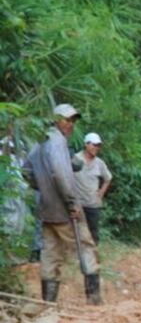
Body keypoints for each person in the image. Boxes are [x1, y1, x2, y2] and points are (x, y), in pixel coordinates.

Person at [22, 104, 103, 305]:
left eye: (73, 121)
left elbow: (26, 172)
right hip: (65, 211)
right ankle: (94, 301)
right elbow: (60, 174)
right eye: (67, 120)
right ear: (56, 120)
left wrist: (42, 187)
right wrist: (72, 203)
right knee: (85, 248)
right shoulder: (57, 143)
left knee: (50, 254)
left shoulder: (39, 143)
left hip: (47, 210)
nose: (70, 125)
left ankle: (48, 304)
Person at [73, 132, 112, 244]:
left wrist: (101, 192)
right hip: (77, 203)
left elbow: (108, 178)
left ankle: (93, 257)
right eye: (94, 145)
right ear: (86, 144)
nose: (96, 148)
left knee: (93, 232)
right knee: (76, 233)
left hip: (93, 204)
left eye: (98, 145)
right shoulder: (75, 159)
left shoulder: (99, 163)